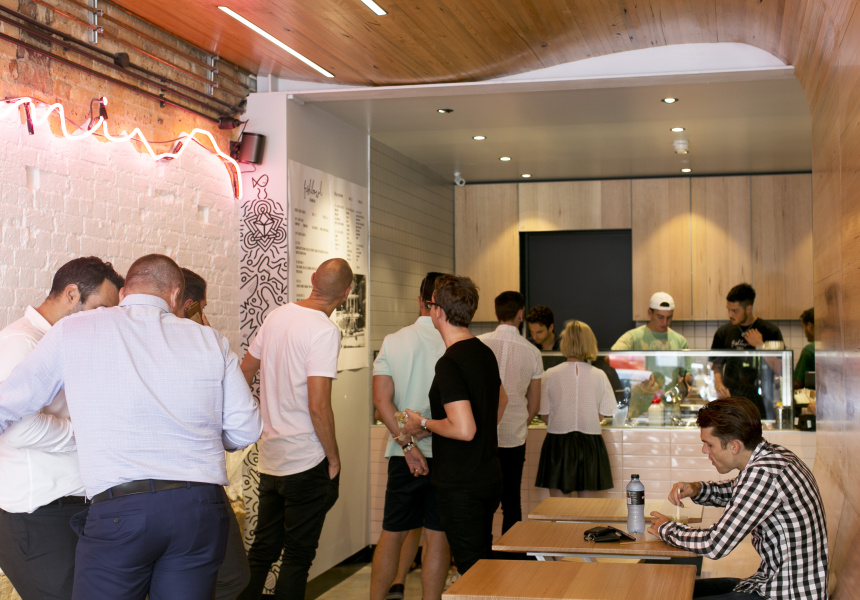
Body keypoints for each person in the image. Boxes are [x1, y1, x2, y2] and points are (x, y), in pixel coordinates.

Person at [0, 254, 262, 600]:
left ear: (124, 293)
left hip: (121, 509)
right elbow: (246, 430)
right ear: (175, 295)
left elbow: (7, 404)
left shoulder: (74, 330)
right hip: (199, 507)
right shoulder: (210, 340)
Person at [0, 256, 123, 600]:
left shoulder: (72, 343)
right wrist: (84, 435)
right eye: (100, 309)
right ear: (71, 294)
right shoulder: (21, 342)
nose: (104, 321)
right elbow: (18, 427)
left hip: (75, 508)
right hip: (38, 517)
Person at [238, 258, 353, 600]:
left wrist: (257, 419)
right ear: (346, 294)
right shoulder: (325, 331)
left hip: (272, 456)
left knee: (263, 549)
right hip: (306, 459)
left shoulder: (277, 316)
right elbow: (318, 405)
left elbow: (245, 371)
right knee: (298, 556)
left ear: (313, 279)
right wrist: (334, 458)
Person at [648, 397, 828, 600]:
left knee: (672, 593)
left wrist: (666, 528)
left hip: (785, 594)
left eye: (709, 444)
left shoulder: (764, 474)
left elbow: (715, 544)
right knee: (675, 589)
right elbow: (739, 492)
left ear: (734, 446)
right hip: (771, 582)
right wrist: (697, 489)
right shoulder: (773, 455)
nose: (704, 450)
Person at [402, 275, 506, 575]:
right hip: (487, 476)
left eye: (431, 304)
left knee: (472, 573)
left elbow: (464, 429)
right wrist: (438, 426)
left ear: (438, 311)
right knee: (483, 563)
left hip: (462, 485)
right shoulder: (483, 351)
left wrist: (422, 422)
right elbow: (502, 401)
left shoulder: (450, 362)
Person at [370, 272, 450, 600]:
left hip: (403, 457)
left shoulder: (394, 340)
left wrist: (407, 445)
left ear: (421, 301)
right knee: (437, 535)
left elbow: (381, 402)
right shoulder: (456, 342)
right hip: (446, 453)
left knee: (392, 533)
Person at [180, 267, 250, 600]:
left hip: (134, 489)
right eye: (202, 308)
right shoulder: (205, 345)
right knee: (232, 575)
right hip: (197, 485)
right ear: (189, 305)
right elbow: (244, 426)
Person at [478, 291, 542, 533]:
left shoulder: (479, 343)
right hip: (514, 438)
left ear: (496, 313)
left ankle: (482, 552)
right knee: (511, 502)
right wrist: (521, 422)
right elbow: (534, 404)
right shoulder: (532, 352)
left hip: (481, 435)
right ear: (520, 314)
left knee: (482, 501)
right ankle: (513, 552)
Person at [535, 320, 616, 497]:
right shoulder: (600, 375)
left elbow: (544, 415)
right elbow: (602, 414)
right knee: (586, 509)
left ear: (564, 342)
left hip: (557, 443)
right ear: (590, 343)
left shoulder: (550, 374)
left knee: (558, 507)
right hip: (590, 444)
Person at [711, 283, 784, 418]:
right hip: (730, 401)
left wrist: (760, 346)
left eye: (735, 311)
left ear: (748, 308)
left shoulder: (770, 331)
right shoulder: (723, 332)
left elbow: (781, 369)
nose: (730, 314)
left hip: (761, 402)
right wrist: (719, 385)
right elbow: (717, 365)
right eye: (728, 310)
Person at [611, 292, 689, 351]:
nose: (665, 322)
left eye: (669, 318)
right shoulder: (632, 337)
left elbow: (688, 368)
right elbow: (609, 358)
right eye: (660, 317)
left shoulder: (680, 341)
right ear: (649, 313)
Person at [793, 308, 815, 390]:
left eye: (804, 327)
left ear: (809, 326)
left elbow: (797, 383)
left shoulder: (809, 350)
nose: (804, 331)